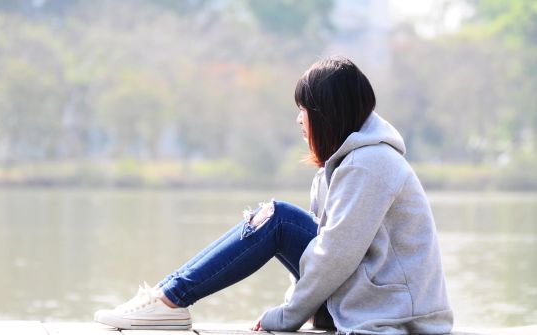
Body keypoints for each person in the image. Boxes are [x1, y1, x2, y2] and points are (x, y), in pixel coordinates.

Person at [94, 56, 454, 334]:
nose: (299, 120)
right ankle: (165, 298)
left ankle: (168, 301)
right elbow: (322, 252)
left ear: (327, 114)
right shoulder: (342, 165)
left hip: (398, 314)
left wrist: (286, 317)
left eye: (304, 110)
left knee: (277, 218)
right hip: (367, 300)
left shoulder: (370, 163)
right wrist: (300, 308)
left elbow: (335, 255)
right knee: (273, 217)